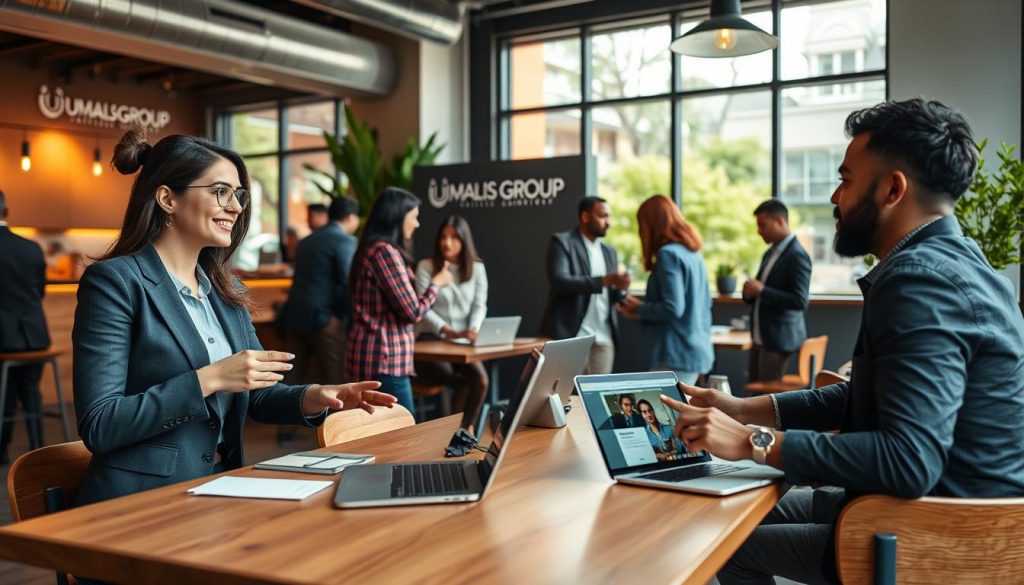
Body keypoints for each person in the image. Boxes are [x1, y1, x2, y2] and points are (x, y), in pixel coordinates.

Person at [658, 98, 1024, 585]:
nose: (834, 196)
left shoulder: (920, 281)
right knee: (736, 508)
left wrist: (751, 442)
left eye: (846, 179)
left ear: (893, 189)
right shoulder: (963, 263)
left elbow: (908, 460)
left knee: (721, 546)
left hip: (933, 533)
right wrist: (744, 411)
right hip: (938, 510)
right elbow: (868, 396)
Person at [72, 130, 395, 513]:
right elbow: (100, 423)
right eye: (221, 192)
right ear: (167, 198)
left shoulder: (224, 290)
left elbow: (257, 394)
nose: (236, 207)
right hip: (138, 506)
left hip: (217, 492)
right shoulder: (115, 282)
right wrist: (209, 379)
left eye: (239, 195)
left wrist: (317, 396)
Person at [345, 187, 453, 415]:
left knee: (379, 433)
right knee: (403, 435)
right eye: (413, 217)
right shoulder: (385, 253)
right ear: (397, 217)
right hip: (385, 360)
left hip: (372, 356)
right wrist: (436, 284)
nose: (417, 224)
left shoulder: (371, 249)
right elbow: (412, 312)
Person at [618, 195, 712, 386]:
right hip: (694, 350)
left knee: (665, 415)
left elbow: (673, 308)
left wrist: (638, 308)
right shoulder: (693, 254)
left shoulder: (668, 254)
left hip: (674, 354)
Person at [413, 215, 489, 429]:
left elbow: (479, 305)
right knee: (461, 382)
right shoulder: (426, 266)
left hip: (461, 341)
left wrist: (473, 329)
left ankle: (462, 432)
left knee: (481, 381)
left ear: (465, 241)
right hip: (429, 339)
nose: (447, 242)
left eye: (454, 237)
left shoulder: (477, 268)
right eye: (443, 237)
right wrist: (447, 330)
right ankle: (455, 433)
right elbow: (422, 308)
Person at [541, 196, 630, 375]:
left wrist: (621, 287)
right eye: (603, 216)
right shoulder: (562, 242)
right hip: (572, 335)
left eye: (609, 217)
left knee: (598, 398)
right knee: (564, 395)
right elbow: (560, 281)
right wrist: (604, 280)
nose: (608, 222)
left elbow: (611, 295)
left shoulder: (609, 251)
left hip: (604, 337)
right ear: (585, 217)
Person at [279, 196, 360, 387]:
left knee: (293, 379)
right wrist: (340, 315)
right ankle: (334, 418)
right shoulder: (346, 241)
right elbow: (348, 283)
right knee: (336, 380)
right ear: (350, 217)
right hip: (324, 320)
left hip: (295, 315)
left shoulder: (307, 241)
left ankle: (285, 417)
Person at [0, 189, 48, 464]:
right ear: (6, 212)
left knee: (3, 395)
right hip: (34, 334)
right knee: (30, 390)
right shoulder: (30, 248)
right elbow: (39, 291)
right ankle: (38, 445)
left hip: (2, 338)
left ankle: (2, 449)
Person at [743, 200, 811, 382]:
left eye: (762, 225)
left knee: (767, 403)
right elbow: (760, 291)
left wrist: (762, 291)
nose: (759, 231)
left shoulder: (797, 255)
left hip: (777, 342)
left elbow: (799, 301)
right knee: (754, 398)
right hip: (760, 339)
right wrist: (749, 292)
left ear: (780, 221)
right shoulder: (770, 253)